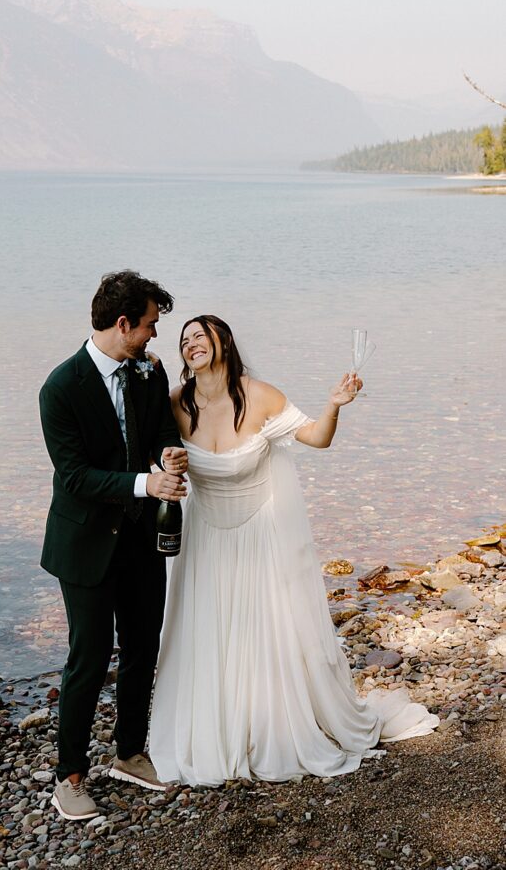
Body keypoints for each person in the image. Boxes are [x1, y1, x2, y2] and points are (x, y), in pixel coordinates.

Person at [149, 315, 438, 786]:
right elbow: (155, 454)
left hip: (260, 533)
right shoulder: (176, 403)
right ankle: (216, 730)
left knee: (268, 633)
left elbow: (317, 439)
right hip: (205, 538)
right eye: (184, 341)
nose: (191, 344)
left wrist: (335, 404)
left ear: (223, 342)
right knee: (208, 632)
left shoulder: (261, 395)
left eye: (201, 335)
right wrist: (165, 462)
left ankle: (271, 726)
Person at [39, 271, 188, 820]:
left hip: (144, 538)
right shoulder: (61, 387)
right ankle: (69, 777)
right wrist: (143, 483)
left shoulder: (149, 371)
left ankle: (129, 753)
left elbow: (159, 433)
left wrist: (170, 456)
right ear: (122, 324)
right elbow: (75, 475)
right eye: (149, 325)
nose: (154, 336)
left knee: (142, 647)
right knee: (89, 656)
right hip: (85, 546)